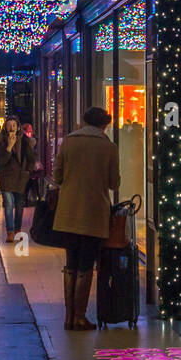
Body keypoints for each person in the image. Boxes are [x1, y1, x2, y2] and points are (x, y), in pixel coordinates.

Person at [53, 107, 120, 331]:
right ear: (104, 125)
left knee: (70, 263)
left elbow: (57, 175)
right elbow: (114, 183)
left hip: (68, 212)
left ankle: (68, 317)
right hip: (93, 213)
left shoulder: (69, 143)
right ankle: (80, 317)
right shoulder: (108, 147)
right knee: (86, 265)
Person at [0, 117, 34, 243]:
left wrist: (27, 172)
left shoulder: (25, 141)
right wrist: (9, 147)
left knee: (19, 206)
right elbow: (1, 162)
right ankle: (10, 232)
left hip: (20, 178)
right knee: (8, 205)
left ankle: (17, 230)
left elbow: (31, 158)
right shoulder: (0, 142)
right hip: (6, 177)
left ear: (18, 127)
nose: (11, 127)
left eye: (14, 125)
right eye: (9, 125)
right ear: (5, 128)